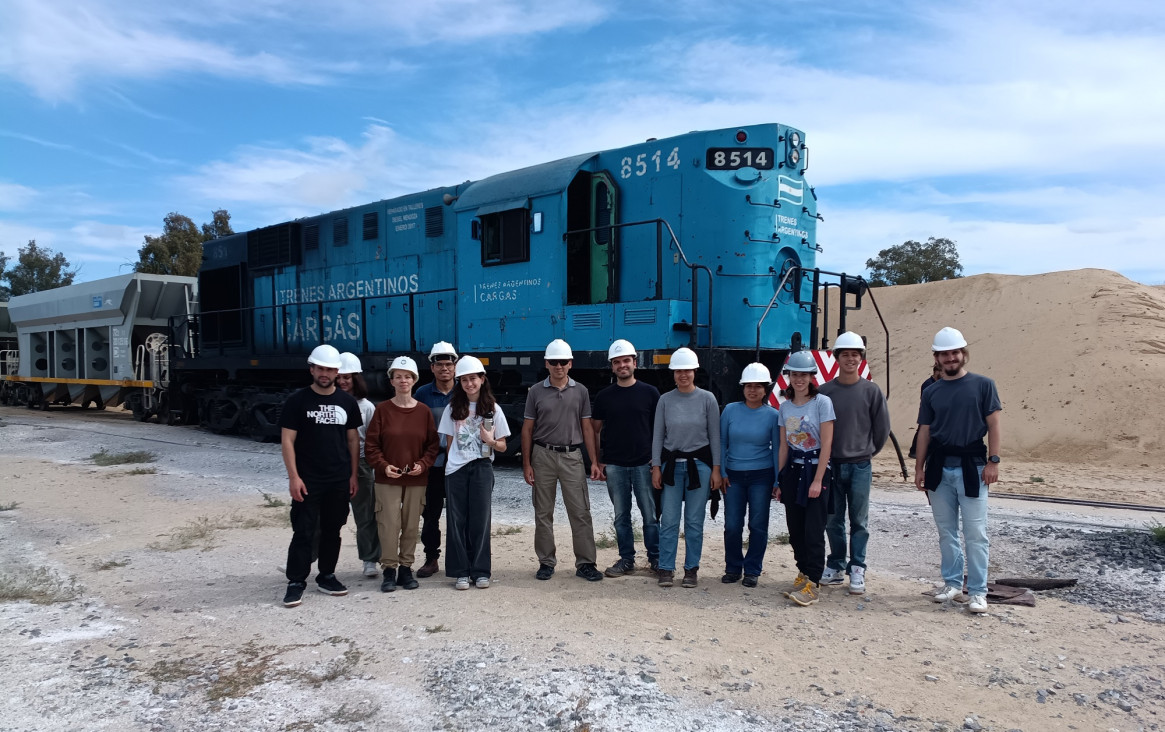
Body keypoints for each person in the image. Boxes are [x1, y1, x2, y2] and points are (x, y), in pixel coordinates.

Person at [914, 327, 1002, 614]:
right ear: (936, 358)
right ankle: (952, 584)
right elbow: (925, 431)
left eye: (955, 353)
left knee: (976, 533)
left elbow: (994, 425)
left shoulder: (984, 385)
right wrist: (919, 468)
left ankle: (977, 592)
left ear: (963, 354)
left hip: (973, 468)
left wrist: (993, 461)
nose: (950, 358)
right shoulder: (931, 391)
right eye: (944, 354)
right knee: (946, 531)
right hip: (939, 469)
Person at [279, 344, 361, 608]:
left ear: (337, 372)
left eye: (330, 369)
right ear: (312, 369)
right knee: (303, 530)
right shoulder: (297, 401)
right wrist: (294, 477)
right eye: (320, 368)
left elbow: (353, 441)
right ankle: (296, 581)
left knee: (332, 530)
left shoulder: (347, 402)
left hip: (338, 479)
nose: (325, 373)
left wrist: (353, 475)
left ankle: (327, 575)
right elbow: (287, 441)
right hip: (308, 479)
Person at [521, 338, 604, 583]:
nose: (559, 366)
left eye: (563, 362)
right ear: (546, 363)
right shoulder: (535, 392)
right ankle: (546, 562)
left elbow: (587, 428)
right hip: (542, 456)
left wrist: (594, 461)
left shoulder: (581, 391)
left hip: (571, 456)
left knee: (580, 511)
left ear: (570, 364)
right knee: (543, 512)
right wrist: (527, 464)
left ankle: (586, 563)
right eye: (554, 362)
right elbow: (527, 429)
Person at [818, 332, 890, 595]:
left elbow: (882, 429)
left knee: (859, 520)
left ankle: (857, 567)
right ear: (836, 358)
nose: (850, 359)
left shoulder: (871, 391)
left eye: (855, 355)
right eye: (845, 354)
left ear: (861, 358)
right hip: (832, 466)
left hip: (860, 466)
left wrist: (867, 452)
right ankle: (836, 565)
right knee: (833, 520)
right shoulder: (825, 392)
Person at [365, 356, 439, 593]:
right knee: (388, 524)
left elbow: (432, 445)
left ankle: (406, 568)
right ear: (392, 381)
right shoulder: (382, 410)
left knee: (410, 525)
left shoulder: (423, 411)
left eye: (407, 376)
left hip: (416, 479)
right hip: (388, 478)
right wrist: (383, 466)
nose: (403, 380)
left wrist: (423, 465)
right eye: (398, 377)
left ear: (414, 380)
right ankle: (389, 569)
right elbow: (371, 445)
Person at [651, 347, 723, 589]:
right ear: (673, 373)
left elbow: (715, 436)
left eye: (687, 370)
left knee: (694, 521)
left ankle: (691, 569)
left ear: (695, 371)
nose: (683, 375)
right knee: (669, 520)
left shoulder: (707, 399)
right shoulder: (665, 400)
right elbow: (658, 436)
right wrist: (656, 467)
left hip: (699, 467)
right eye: (678, 371)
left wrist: (716, 469)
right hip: (671, 467)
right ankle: (666, 568)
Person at [438, 356, 510, 590]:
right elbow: (450, 443)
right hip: (456, 469)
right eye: (464, 380)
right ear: (459, 382)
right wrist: (451, 466)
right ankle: (460, 572)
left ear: (482, 379)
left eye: (473, 379)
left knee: (480, 520)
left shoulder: (493, 409)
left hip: (482, 467)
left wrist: (491, 441)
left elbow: (502, 446)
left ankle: (480, 571)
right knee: (456, 521)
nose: (469, 384)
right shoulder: (452, 408)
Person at [592, 339, 661, 577]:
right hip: (615, 465)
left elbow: (659, 430)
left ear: (635, 363)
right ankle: (627, 559)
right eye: (617, 362)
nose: (622, 365)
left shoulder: (650, 393)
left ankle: (656, 558)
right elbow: (595, 430)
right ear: (612, 366)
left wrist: (656, 461)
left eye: (626, 361)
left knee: (650, 515)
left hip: (644, 463)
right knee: (621, 516)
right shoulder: (604, 397)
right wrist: (598, 460)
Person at [775, 350, 835, 607]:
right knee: (795, 529)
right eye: (794, 374)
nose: (799, 379)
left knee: (813, 530)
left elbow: (827, 443)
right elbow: (783, 446)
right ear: (788, 376)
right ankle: (803, 571)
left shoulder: (822, 403)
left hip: (815, 469)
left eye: (804, 375)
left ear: (812, 377)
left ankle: (814, 582)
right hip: (793, 470)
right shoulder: (785, 407)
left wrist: (818, 480)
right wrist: (779, 480)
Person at [719, 363, 779, 589]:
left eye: (758, 386)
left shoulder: (773, 415)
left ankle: (752, 570)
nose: (752, 390)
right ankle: (733, 567)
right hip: (733, 476)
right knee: (732, 525)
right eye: (748, 386)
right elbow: (722, 442)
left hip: (762, 476)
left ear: (765, 389)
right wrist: (722, 471)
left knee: (758, 524)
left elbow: (777, 448)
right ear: (742, 388)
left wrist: (777, 479)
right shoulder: (730, 411)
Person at [415, 341, 458, 578]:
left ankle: (459, 558)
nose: (444, 368)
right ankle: (431, 558)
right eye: (439, 364)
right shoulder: (422, 394)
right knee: (430, 515)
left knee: (458, 514)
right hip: (432, 465)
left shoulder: (464, 391)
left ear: (455, 366)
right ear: (432, 367)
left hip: (458, 464)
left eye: (448, 364)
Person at [337, 352, 380, 579]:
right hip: (334, 463)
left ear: (356, 378)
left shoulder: (367, 407)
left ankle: (370, 559)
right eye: (339, 377)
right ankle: (312, 559)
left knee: (365, 514)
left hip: (362, 464)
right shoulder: (328, 403)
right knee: (327, 515)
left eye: (347, 377)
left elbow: (373, 439)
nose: (342, 381)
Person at [908, 363, 943, 459]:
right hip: (928, 410)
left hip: (933, 410)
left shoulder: (936, 383)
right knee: (922, 429)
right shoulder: (928, 383)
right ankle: (914, 451)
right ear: (936, 372)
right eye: (940, 372)